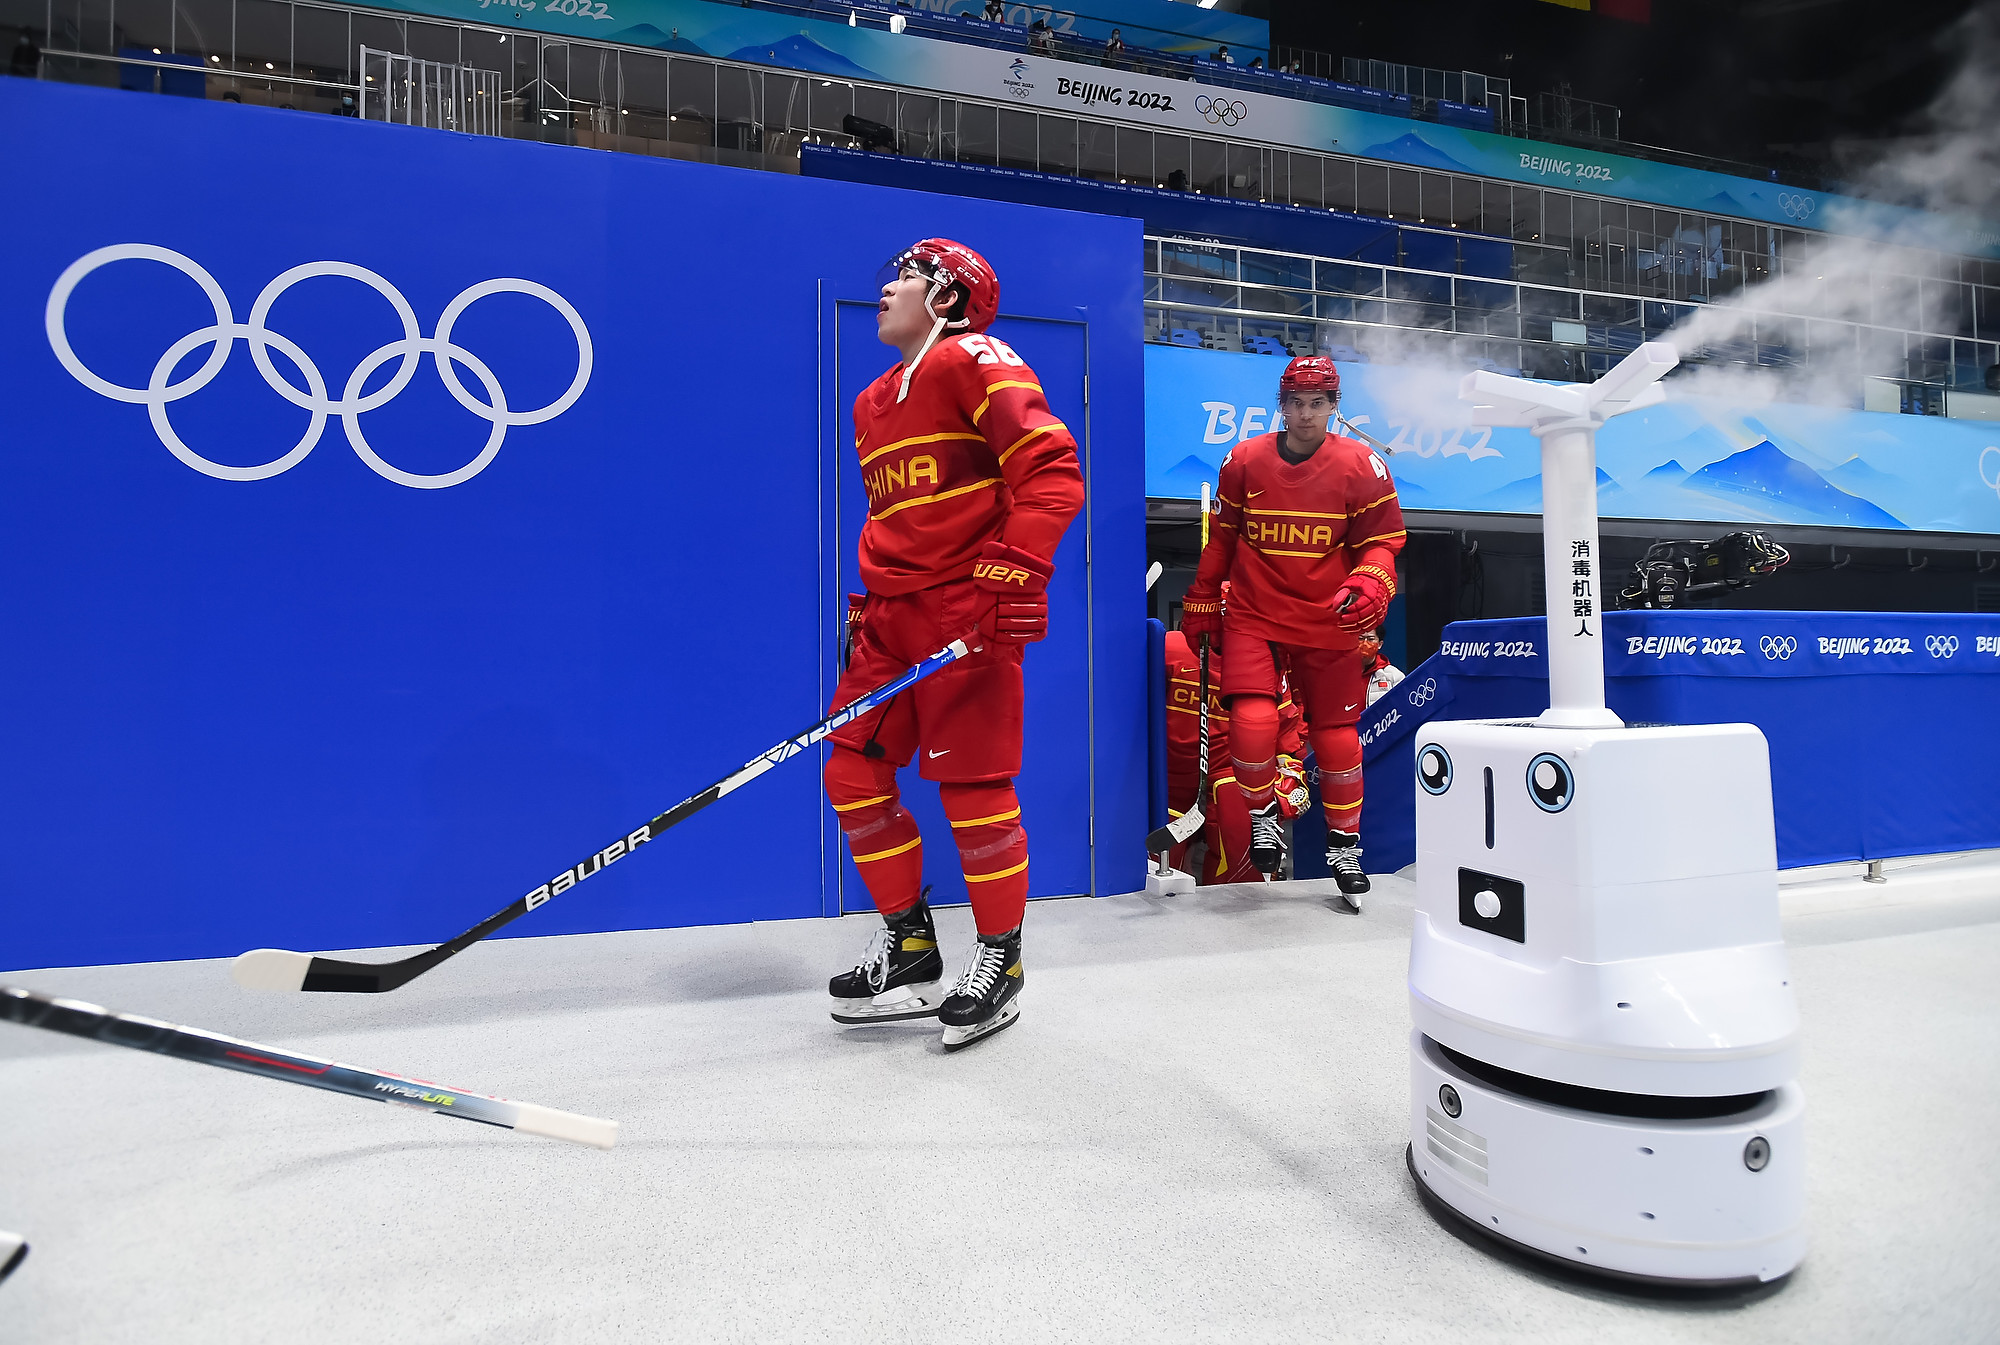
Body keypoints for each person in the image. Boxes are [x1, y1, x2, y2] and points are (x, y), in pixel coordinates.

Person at [824, 239, 1083, 1051]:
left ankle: (1002, 956)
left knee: (973, 788)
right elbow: (897, 519)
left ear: (946, 297)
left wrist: (1018, 569)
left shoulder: (977, 357)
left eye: (904, 277)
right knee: (850, 771)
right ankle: (909, 941)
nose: (886, 290)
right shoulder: (871, 403)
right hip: (890, 619)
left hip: (965, 614)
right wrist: (869, 607)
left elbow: (1053, 470)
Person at [1178, 356, 1405, 909]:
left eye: (1317, 403)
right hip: (1254, 612)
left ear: (1334, 406)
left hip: (1329, 618)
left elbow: (1382, 542)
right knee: (1253, 722)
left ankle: (1344, 845)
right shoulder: (1244, 460)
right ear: (1281, 405)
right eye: (1296, 403)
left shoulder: (1363, 465)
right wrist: (1203, 595)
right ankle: (1262, 817)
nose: (1306, 414)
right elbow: (1222, 539)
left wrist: (1373, 579)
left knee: (1336, 737)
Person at [1163, 616, 1307, 885]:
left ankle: (1234, 905)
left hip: (1230, 771)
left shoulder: (1266, 660)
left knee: (1242, 860)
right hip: (1170, 773)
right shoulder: (1169, 647)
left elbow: (1284, 724)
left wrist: (1291, 768)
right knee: (1158, 864)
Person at [1360, 628, 1404, 706]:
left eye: (1370, 639)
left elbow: (1402, 706)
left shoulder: (1394, 675)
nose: (1365, 643)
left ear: (1380, 644)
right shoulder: (1341, 673)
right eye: (1360, 638)